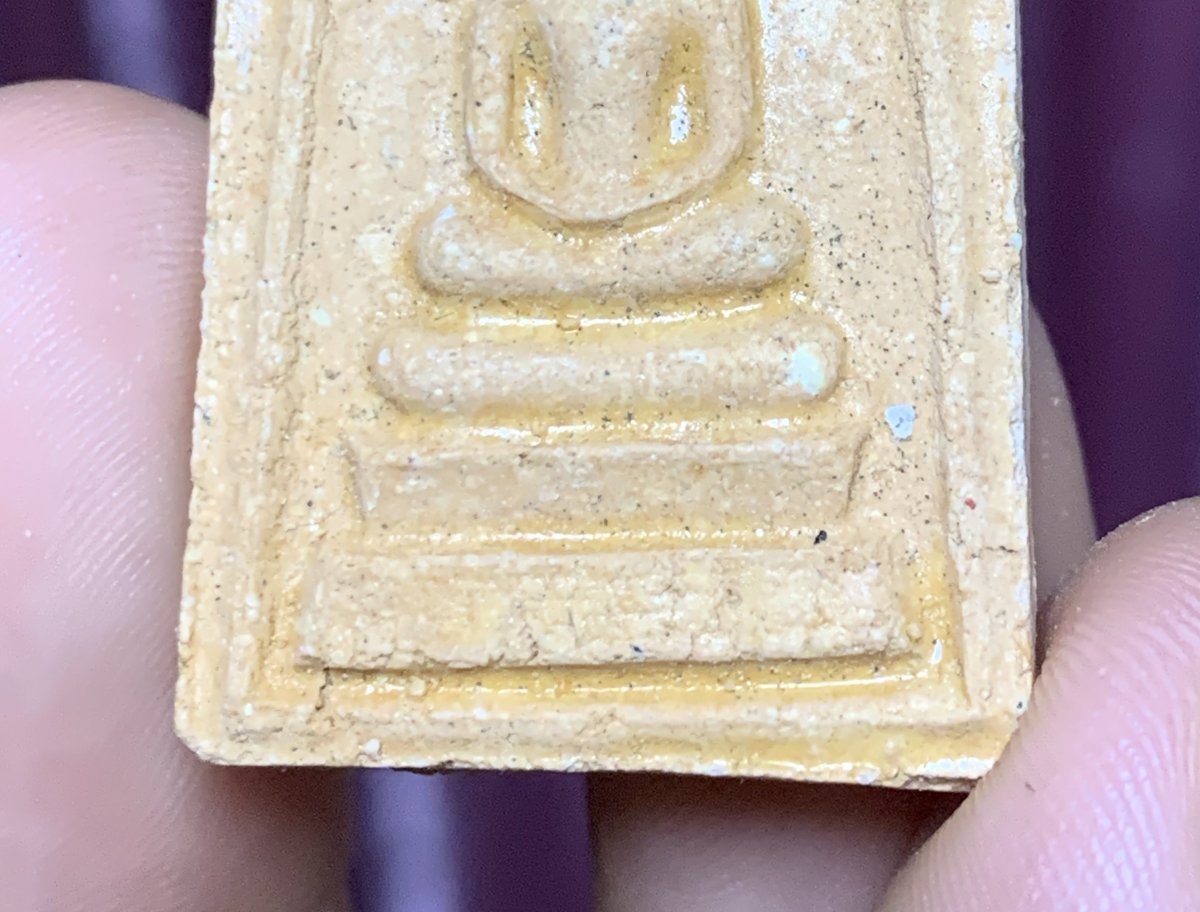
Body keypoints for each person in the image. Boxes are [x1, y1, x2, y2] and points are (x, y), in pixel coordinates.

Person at [4, 76, 1198, 911]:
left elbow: (718, 141)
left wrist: (648, 208)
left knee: (778, 274)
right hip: (535, 238)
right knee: (441, 270)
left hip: (683, 234)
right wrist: (561, 209)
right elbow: (493, 141)